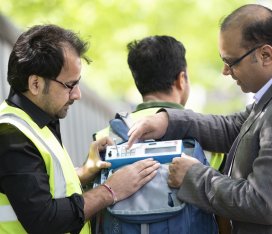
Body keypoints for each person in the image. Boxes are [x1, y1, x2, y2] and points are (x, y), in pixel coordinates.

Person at [126, 4, 272, 233]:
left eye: (231, 62)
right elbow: (237, 128)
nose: (225, 71)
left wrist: (193, 176)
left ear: (265, 54)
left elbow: (262, 203)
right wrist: (169, 121)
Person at [0, 24, 160, 234]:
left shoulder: (36, 121)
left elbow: (38, 185)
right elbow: (44, 219)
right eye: (70, 85)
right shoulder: (11, 136)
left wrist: (84, 172)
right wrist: (110, 190)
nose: (77, 95)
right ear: (36, 84)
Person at [94, 35, 218, 233]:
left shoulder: (104, 138)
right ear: (181, 79)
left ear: (137, 82)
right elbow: (222, 206)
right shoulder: (209, 137)